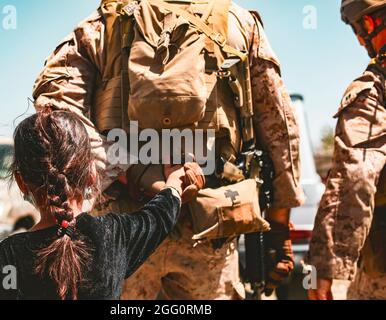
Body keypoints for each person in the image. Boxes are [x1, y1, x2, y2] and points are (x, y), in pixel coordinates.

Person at [32, 0, 304, 300]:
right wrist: (279, 225)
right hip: (211, 222)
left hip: (124, 228)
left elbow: (55, 110)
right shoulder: (238, 23)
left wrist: (119, 169)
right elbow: (281, 128)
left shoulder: (102, 25)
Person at [0, 109, 204, 300]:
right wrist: (174, 181)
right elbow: (160, 215)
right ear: (91, 174)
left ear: (21, 182)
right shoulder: (115, 235)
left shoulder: (8, 256)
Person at [308, 0, 386, 300]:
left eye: (356, 29)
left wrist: (325, 266)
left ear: (368, 24)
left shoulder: (373, 90)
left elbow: (356, 177)